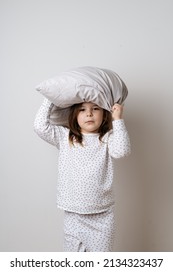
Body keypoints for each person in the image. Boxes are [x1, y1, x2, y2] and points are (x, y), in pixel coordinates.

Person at [34, 98, 131, 252]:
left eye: (96, 109)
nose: (89, 114)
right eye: (82, 110)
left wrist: (118, 119)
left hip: (102, 216)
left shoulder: (108, 138)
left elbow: (122, 151)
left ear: (105, 114)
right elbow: (40, 127)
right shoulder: (65, 137)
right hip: (74, 215)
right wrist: (49, 100)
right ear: (74, 115)